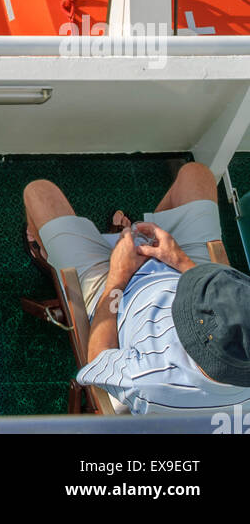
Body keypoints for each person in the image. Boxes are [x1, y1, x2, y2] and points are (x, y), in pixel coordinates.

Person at [24, 162, 250, 415]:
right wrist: (179, 259)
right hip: (197, 279)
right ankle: (142, 232)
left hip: (114, 297)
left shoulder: (148, 381)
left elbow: (99, 358)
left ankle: (47, 255)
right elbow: (230, 294)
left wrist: (118, 277)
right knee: (196, 174)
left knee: (38, 192)